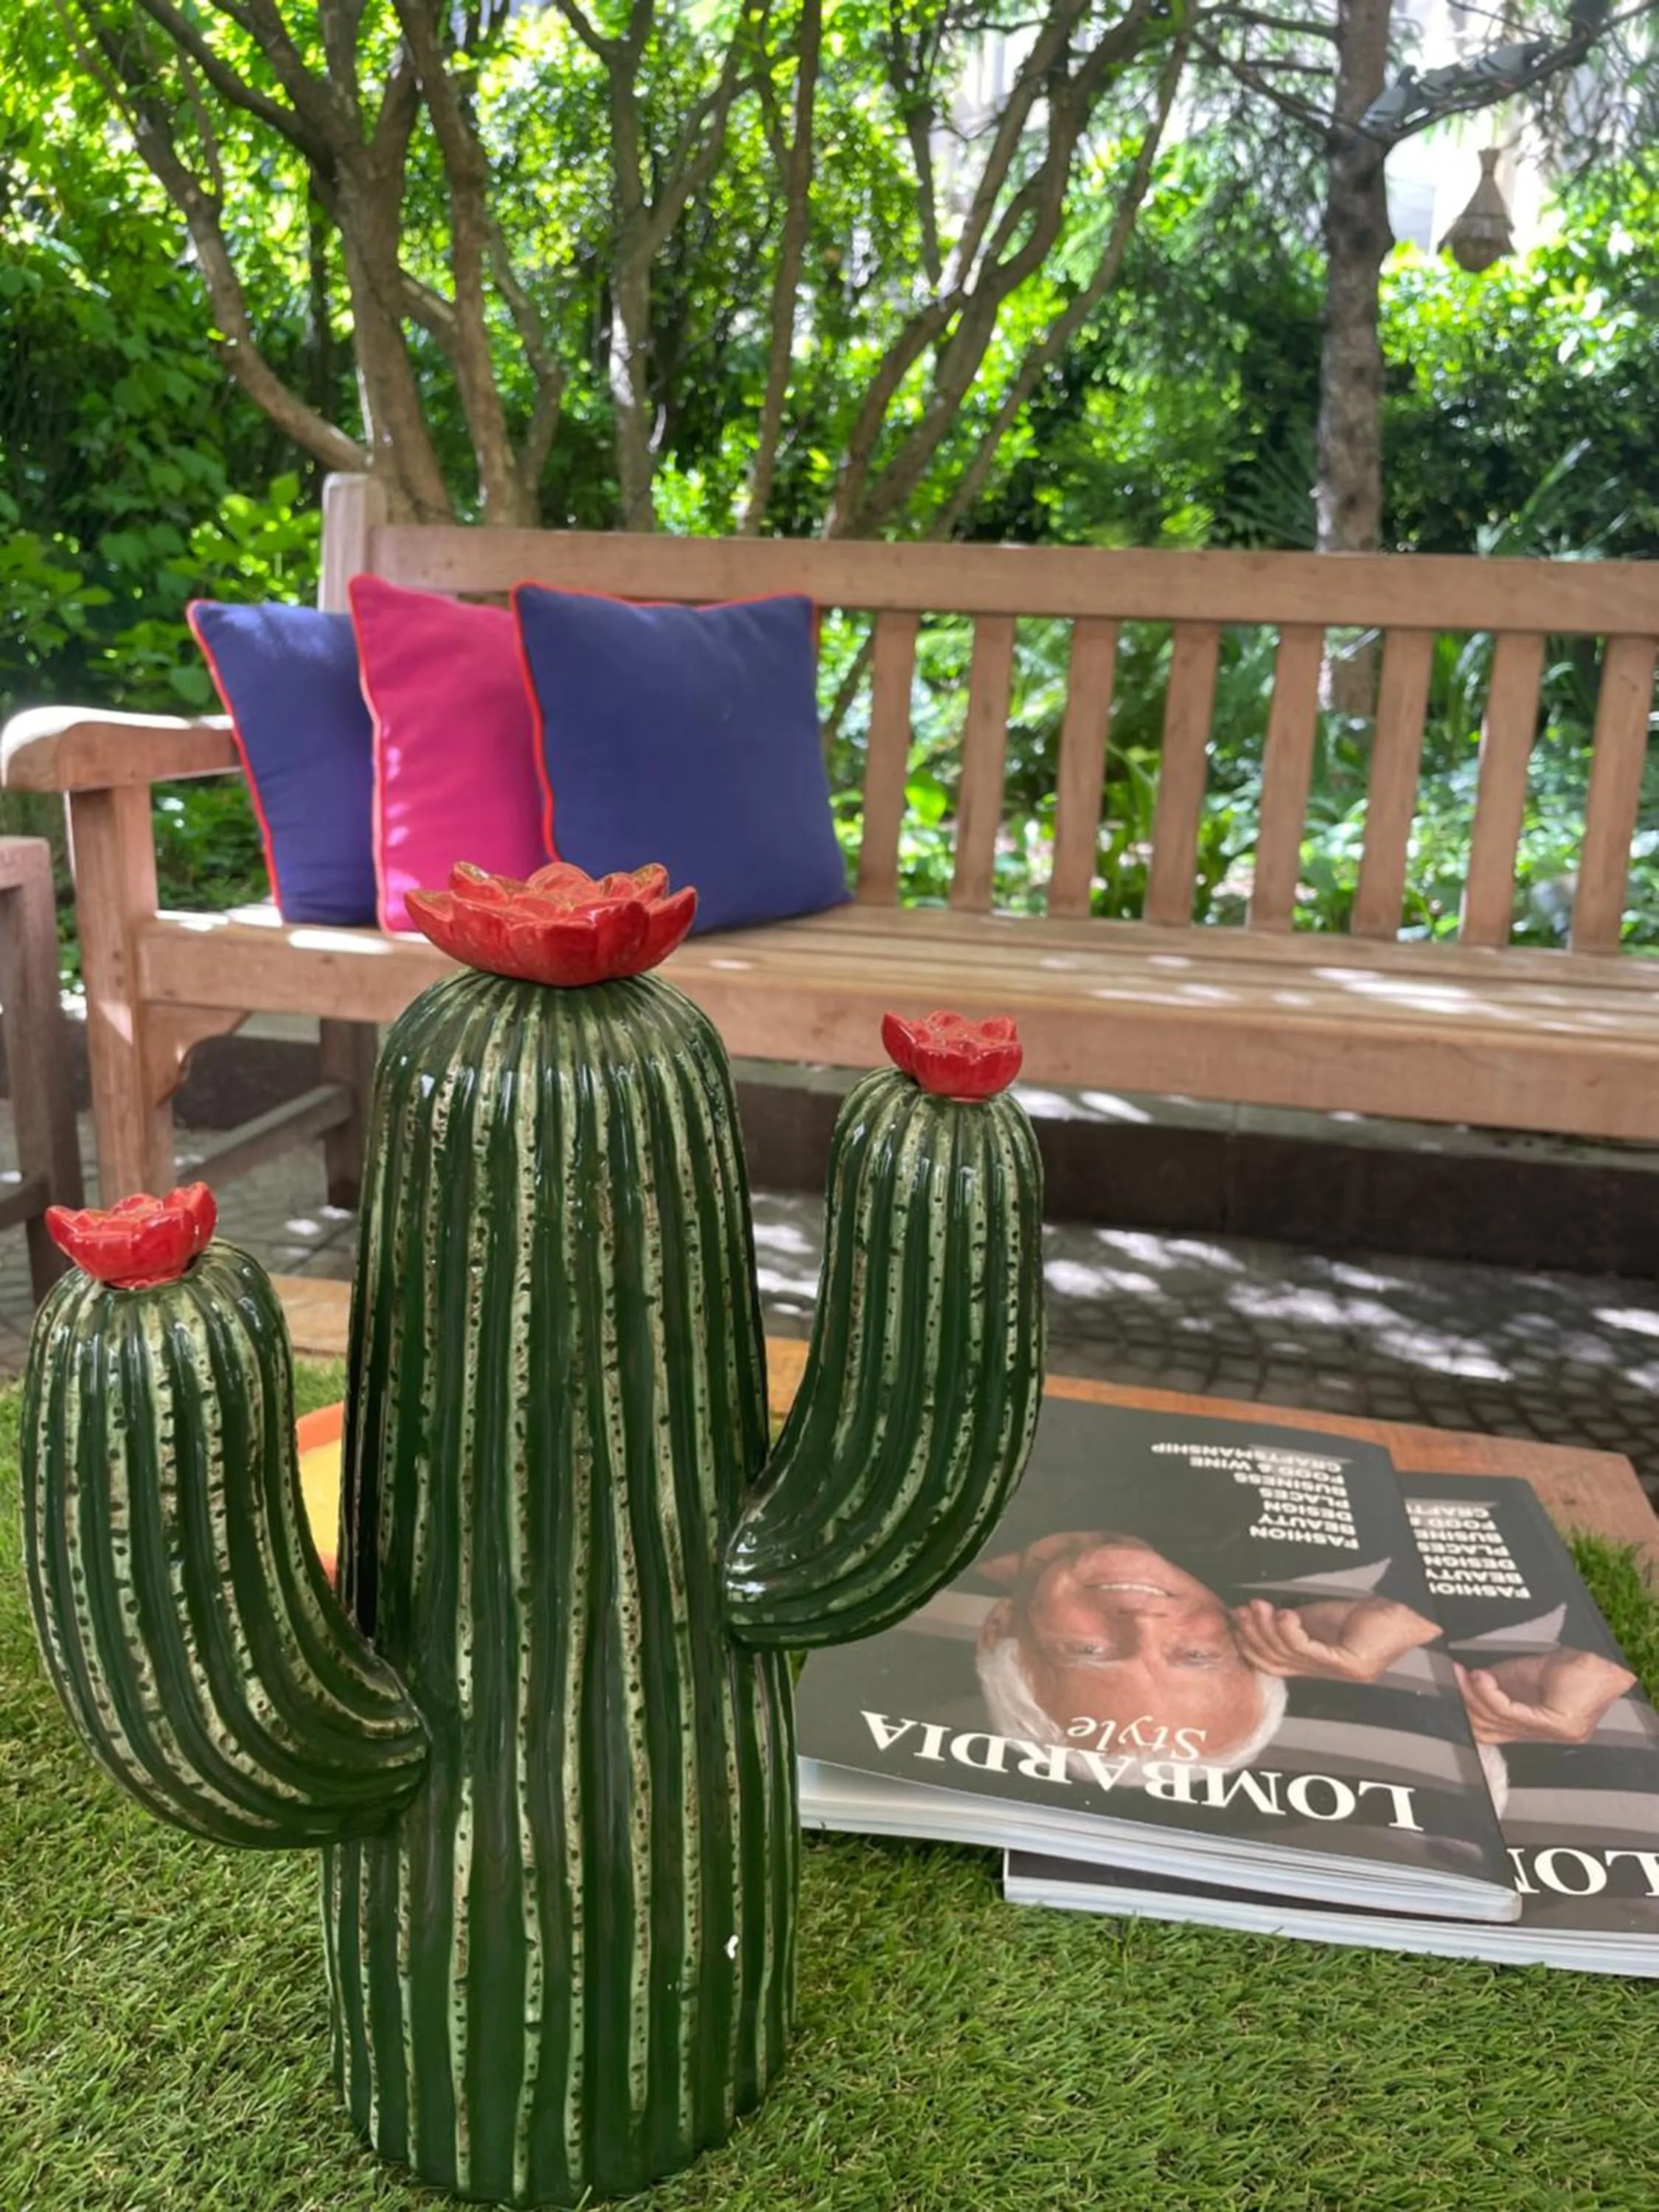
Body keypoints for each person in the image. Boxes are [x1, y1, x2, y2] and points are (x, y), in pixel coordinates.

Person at [974, 1528, 1441, 1775]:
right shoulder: (1311, 1549)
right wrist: (1399, 1609)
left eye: (1090, 1649)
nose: (1143, 1624)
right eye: (1196, 1656)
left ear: (998, 1627)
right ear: (1248, 1637)